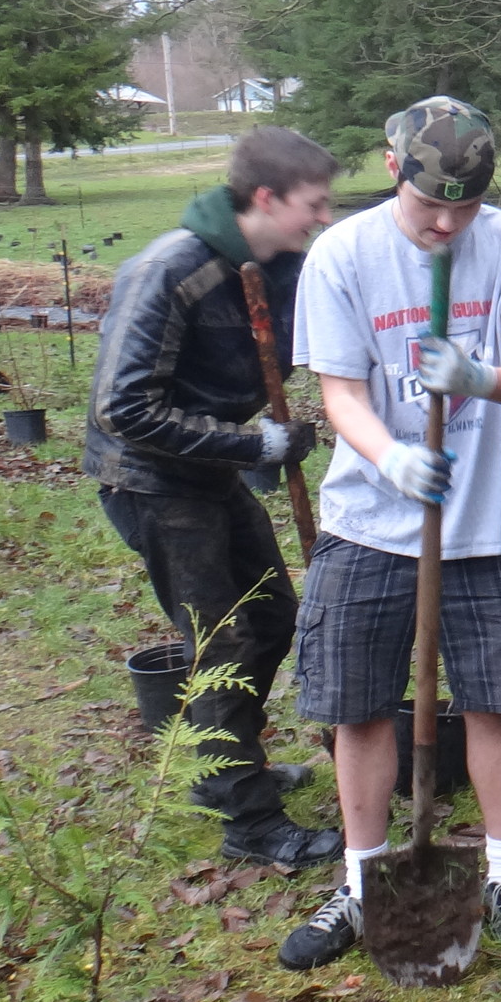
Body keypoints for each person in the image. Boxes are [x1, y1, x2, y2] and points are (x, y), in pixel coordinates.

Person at [277, 96, 501, 972]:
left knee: (495, 695)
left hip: (477, 527)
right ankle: (364, 881)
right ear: (391, 167)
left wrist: (479, 375)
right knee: (355, 703)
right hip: (366, 524)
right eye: (430, 203)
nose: (447, 223)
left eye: (465, 205)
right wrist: (391, 460)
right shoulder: (343, 255)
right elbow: (339, 393)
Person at [84, 127, 343, 869]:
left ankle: (226, 768)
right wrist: (250, 444)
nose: (321, 219)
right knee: (222, 641)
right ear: (265, 198)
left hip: (210, 475)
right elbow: (123, 408)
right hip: (149, 479)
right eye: (312, 204)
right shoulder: (169, 271)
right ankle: (250, 823)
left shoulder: (278, 263)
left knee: (272, 616)